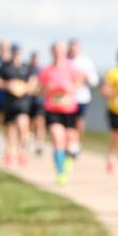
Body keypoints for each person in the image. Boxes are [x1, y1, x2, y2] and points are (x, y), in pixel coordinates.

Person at [38, 40, 84, 185]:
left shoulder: (72, 69)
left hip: (69, 109)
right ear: (52, 52)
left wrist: (69, 88)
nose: (59, 54)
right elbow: (40, 89)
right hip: (52, 109)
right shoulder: (46, 70)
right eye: (56, 52)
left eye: (62, 52)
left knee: (69, 139)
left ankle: (69, 158)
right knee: (58, 138)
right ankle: (60, 172)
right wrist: (47, 88)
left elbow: (79, 83)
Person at [0, 43, 36, 167]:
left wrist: (24, 88)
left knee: (23, 125)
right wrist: (7, 85)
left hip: (23, 102)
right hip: (9, 102)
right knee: (10, 128)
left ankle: (22, 151)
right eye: (14, 52)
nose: (16, 54)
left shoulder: (26, 67)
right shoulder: (5, 67)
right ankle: (10, 152)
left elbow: (33, 82)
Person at [68, 39, 99, 162]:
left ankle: (77, 143)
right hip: (66, 98)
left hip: (81, 97)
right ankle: (69, 144)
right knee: (68, 123)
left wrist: (85, 77)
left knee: (79, 121)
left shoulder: (86, 62)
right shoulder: (64, 61)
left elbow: (94, 81)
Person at [27, 51, 47, 156]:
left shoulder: (42, 70)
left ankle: (40, 143)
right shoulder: (27, 70)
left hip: (40, 101)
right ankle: (31, 139)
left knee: (40, 122)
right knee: (31, 122)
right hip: (29, 101)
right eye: (33, 58)